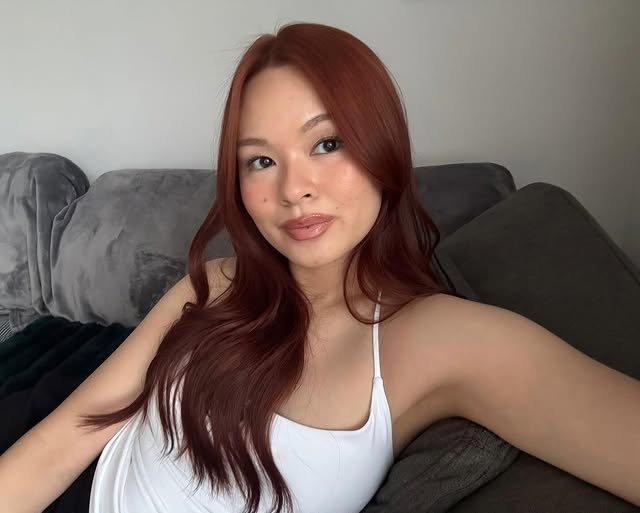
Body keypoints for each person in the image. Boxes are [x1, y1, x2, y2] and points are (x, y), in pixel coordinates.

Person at [1, 21, 639, 513]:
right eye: (261, 160)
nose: (294, 189)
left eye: (327, 143)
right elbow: (70, 435)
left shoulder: (443, 340)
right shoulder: (217, 283)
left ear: (383, 149)